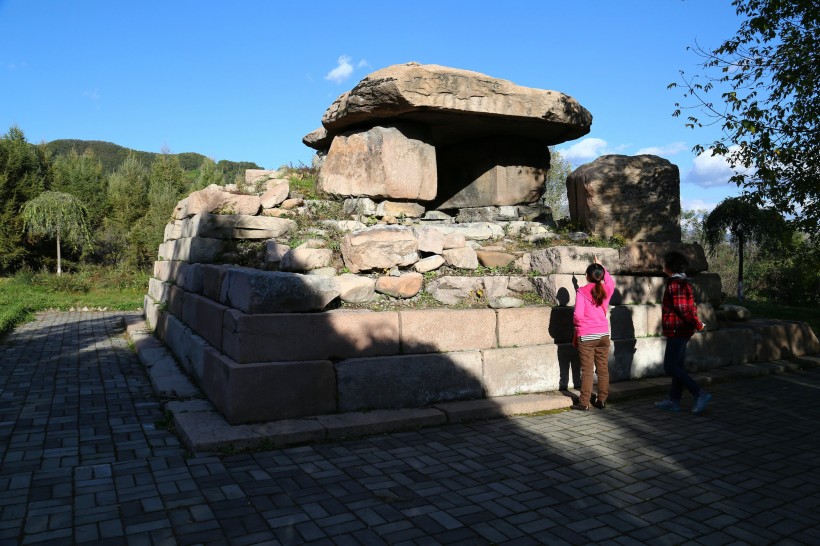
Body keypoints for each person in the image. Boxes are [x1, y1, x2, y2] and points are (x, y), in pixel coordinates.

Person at [655, 250, 712, 414]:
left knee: (670, 366)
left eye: (664, 262)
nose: (662, 265)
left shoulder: (676, 284)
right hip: (680, 330)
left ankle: (699, 393)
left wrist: (697, 324)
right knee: (677, 366)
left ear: (670, 266)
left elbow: (684, 309)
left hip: (678, 330)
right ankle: (674, 401)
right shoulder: (680, 282)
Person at [571, 254, 615, 410]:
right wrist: (601, 267)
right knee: (603, 369)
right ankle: (601, 400)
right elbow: (610, 281)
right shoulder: (607, 289)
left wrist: (578, 325)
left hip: (587, 335)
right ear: (601, 275)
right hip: (603, 335)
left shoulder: (581, 291)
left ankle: (584, 402)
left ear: (587, 276)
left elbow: (577, 315)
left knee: (587, 370)